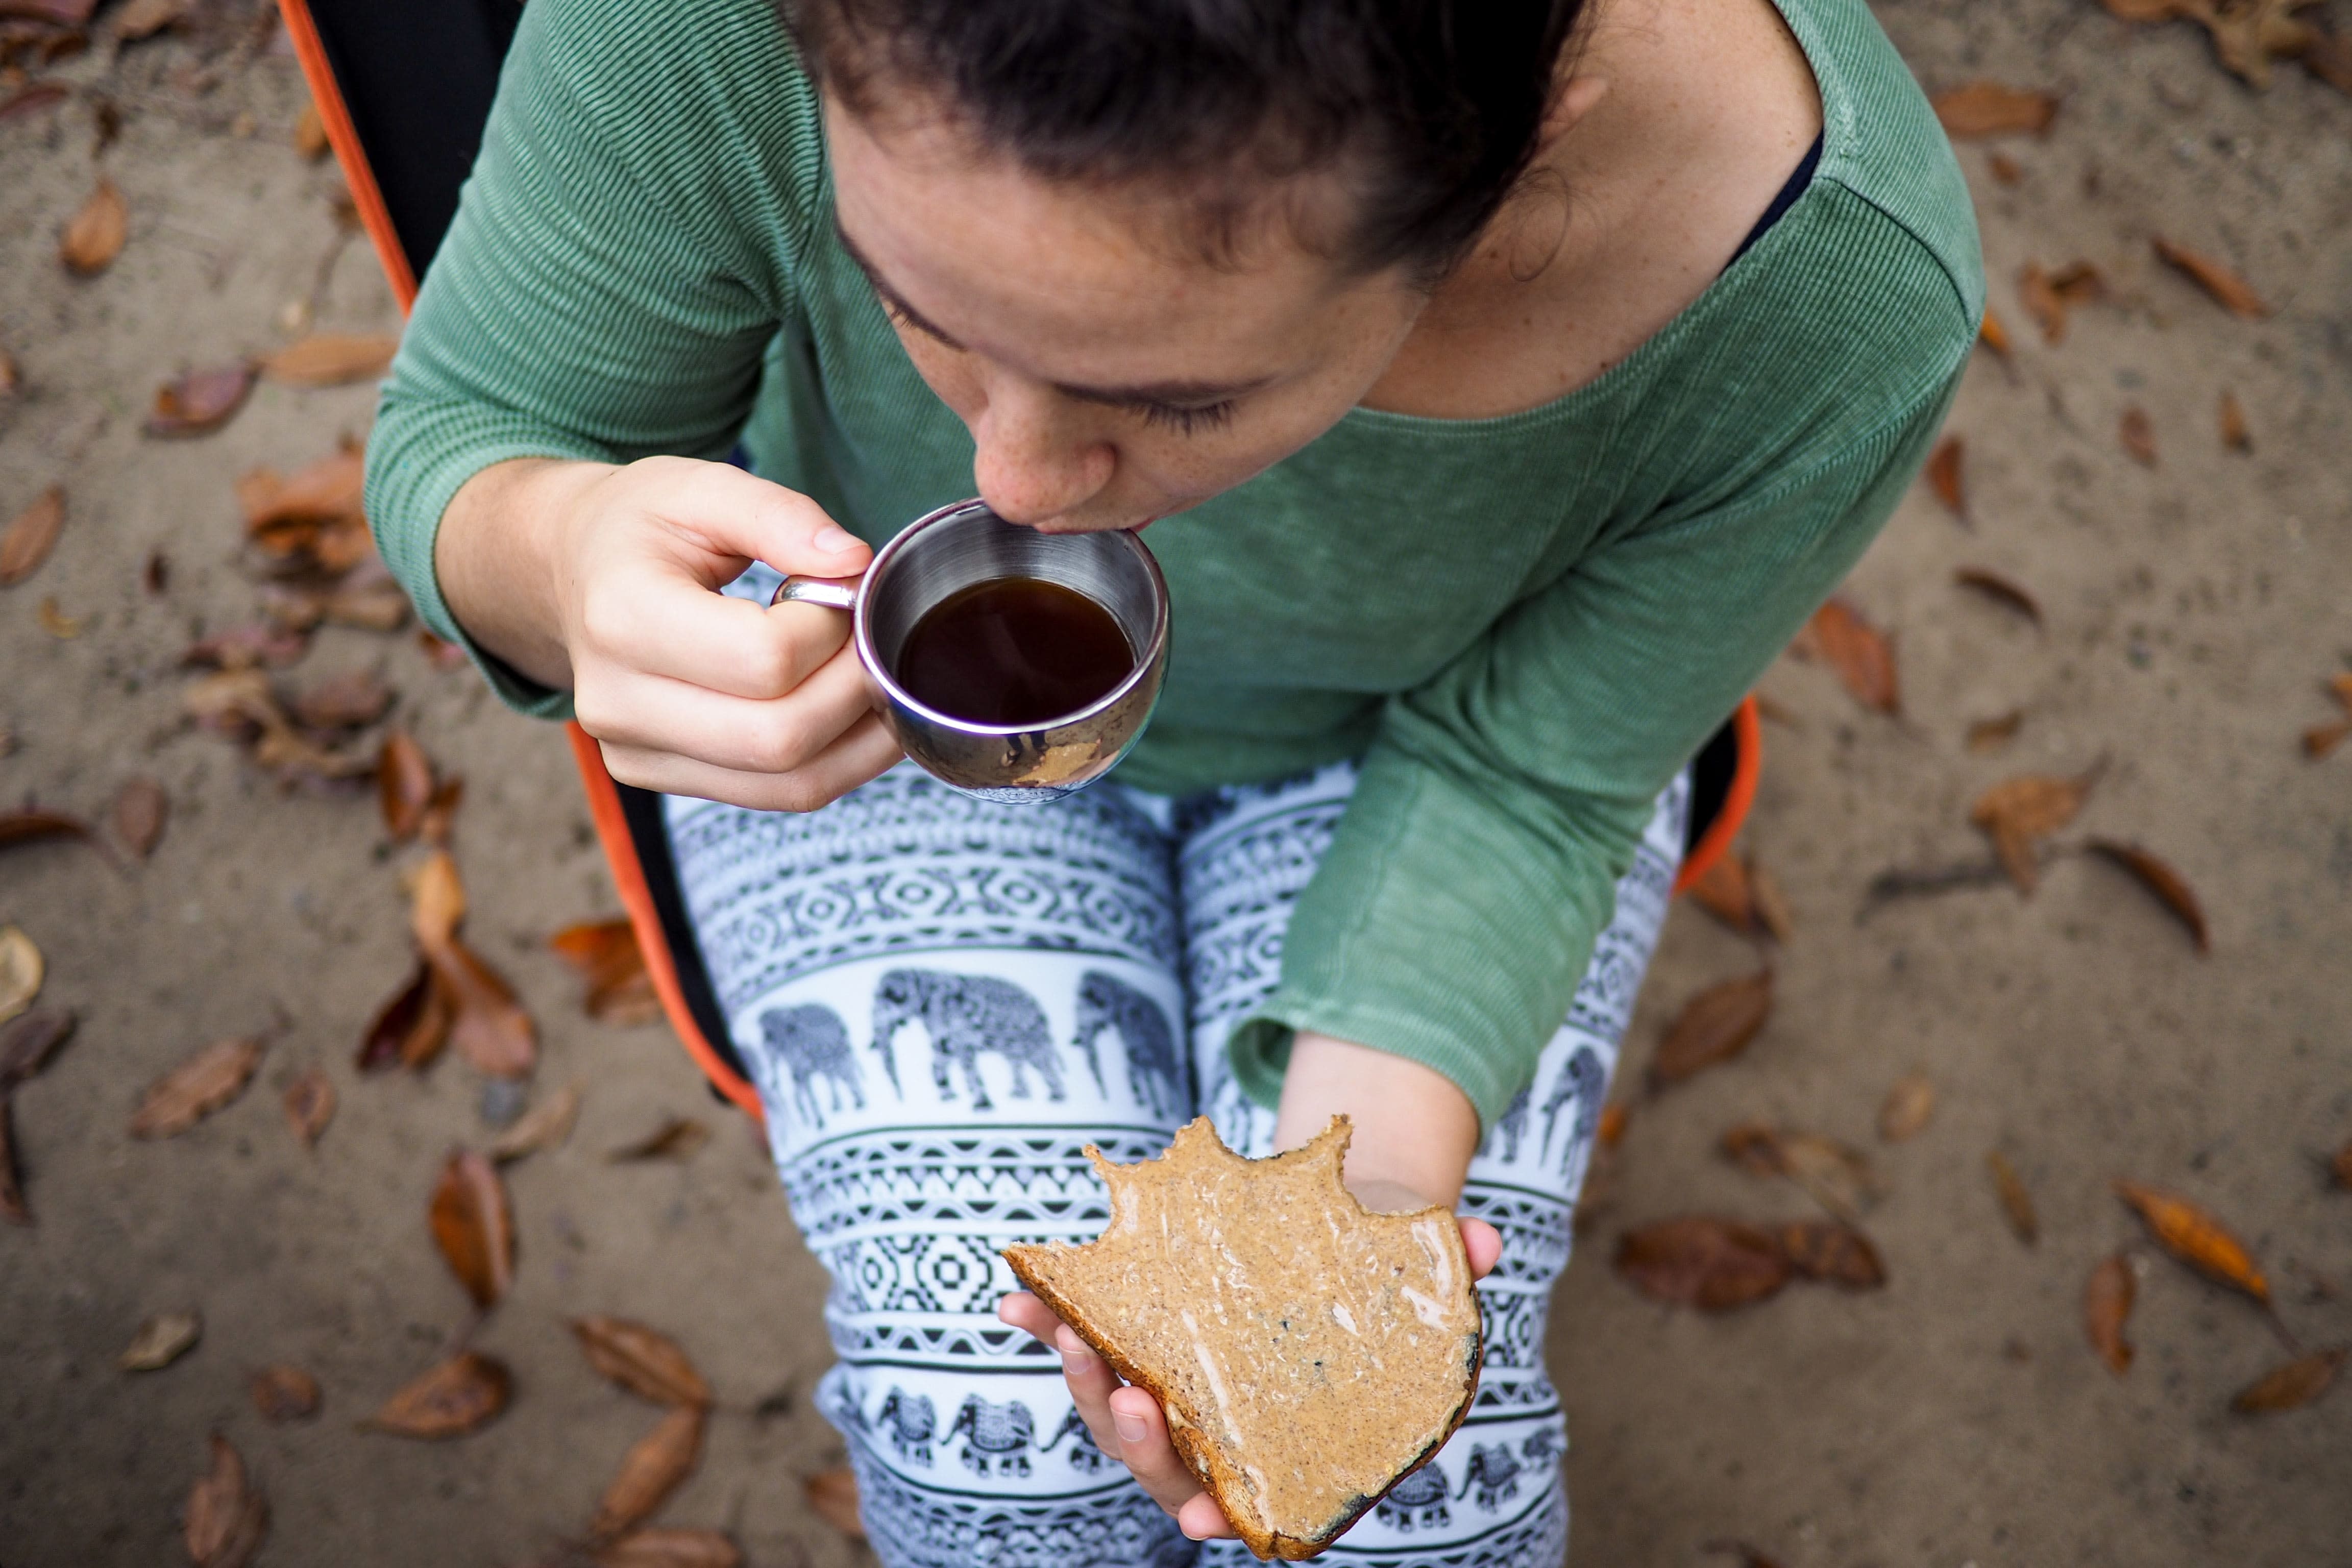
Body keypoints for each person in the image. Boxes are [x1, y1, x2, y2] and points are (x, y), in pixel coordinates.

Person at [364, 0, 1978, 1560]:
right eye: (913, 299)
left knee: (1419, 1508)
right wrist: (560, 558)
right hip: (879, 719)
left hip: (1424, 757)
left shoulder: (1826, 293)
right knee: (998, 1466)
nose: (1013, 483)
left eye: (1179, 397)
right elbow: (491, 427)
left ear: (1529, 121)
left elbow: (1531, 775)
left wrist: (1369, 1201)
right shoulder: (717, 19)